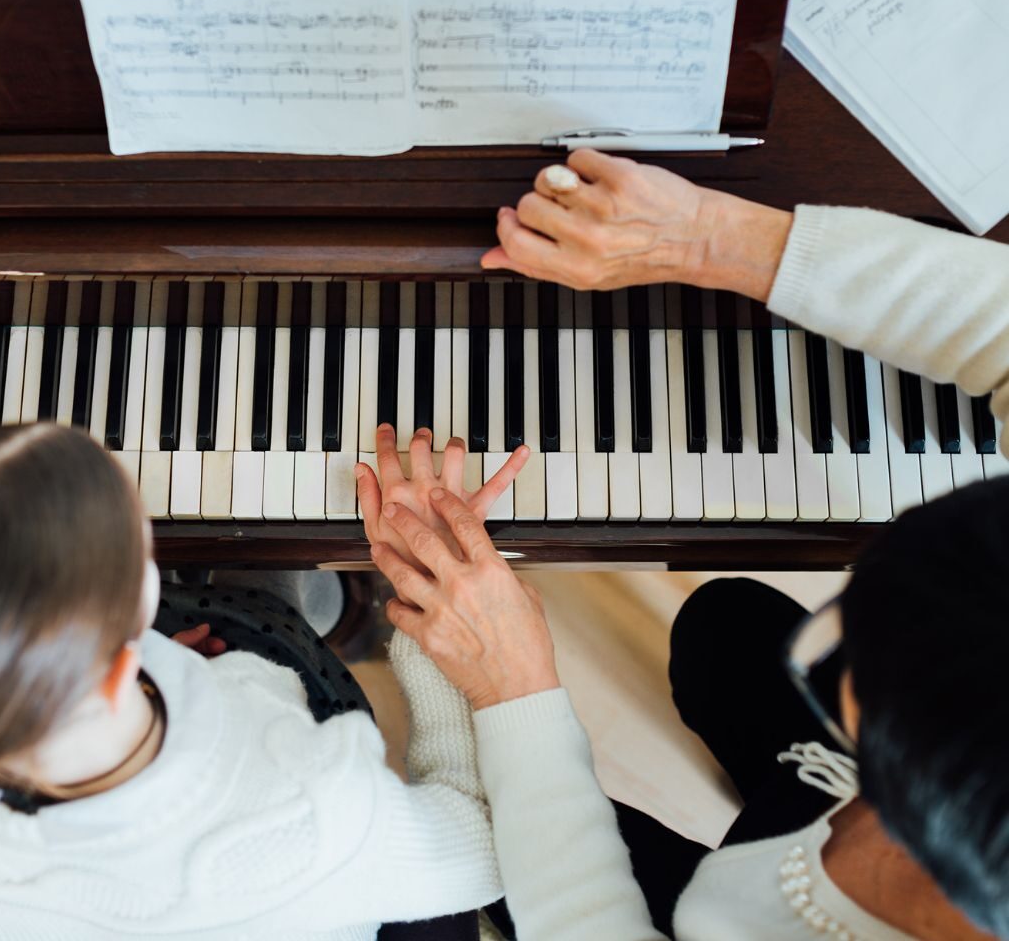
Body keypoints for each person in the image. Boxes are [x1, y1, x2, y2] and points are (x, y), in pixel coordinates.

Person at [356, 149, 1009, 941]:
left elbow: (583, 918)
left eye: (836, 644)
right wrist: (709, 239)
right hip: (839, 801)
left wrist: (507, 683)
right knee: (724, 631)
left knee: (505, 832)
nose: (828, 623)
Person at [0, 421, 529, 940]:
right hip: (314, 860)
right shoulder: (318, 811)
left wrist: (148, 668)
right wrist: (434, 615)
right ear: (115, 672)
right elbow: (482, 848)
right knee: (254, 601)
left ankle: (335, 610)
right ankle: (352, 614)